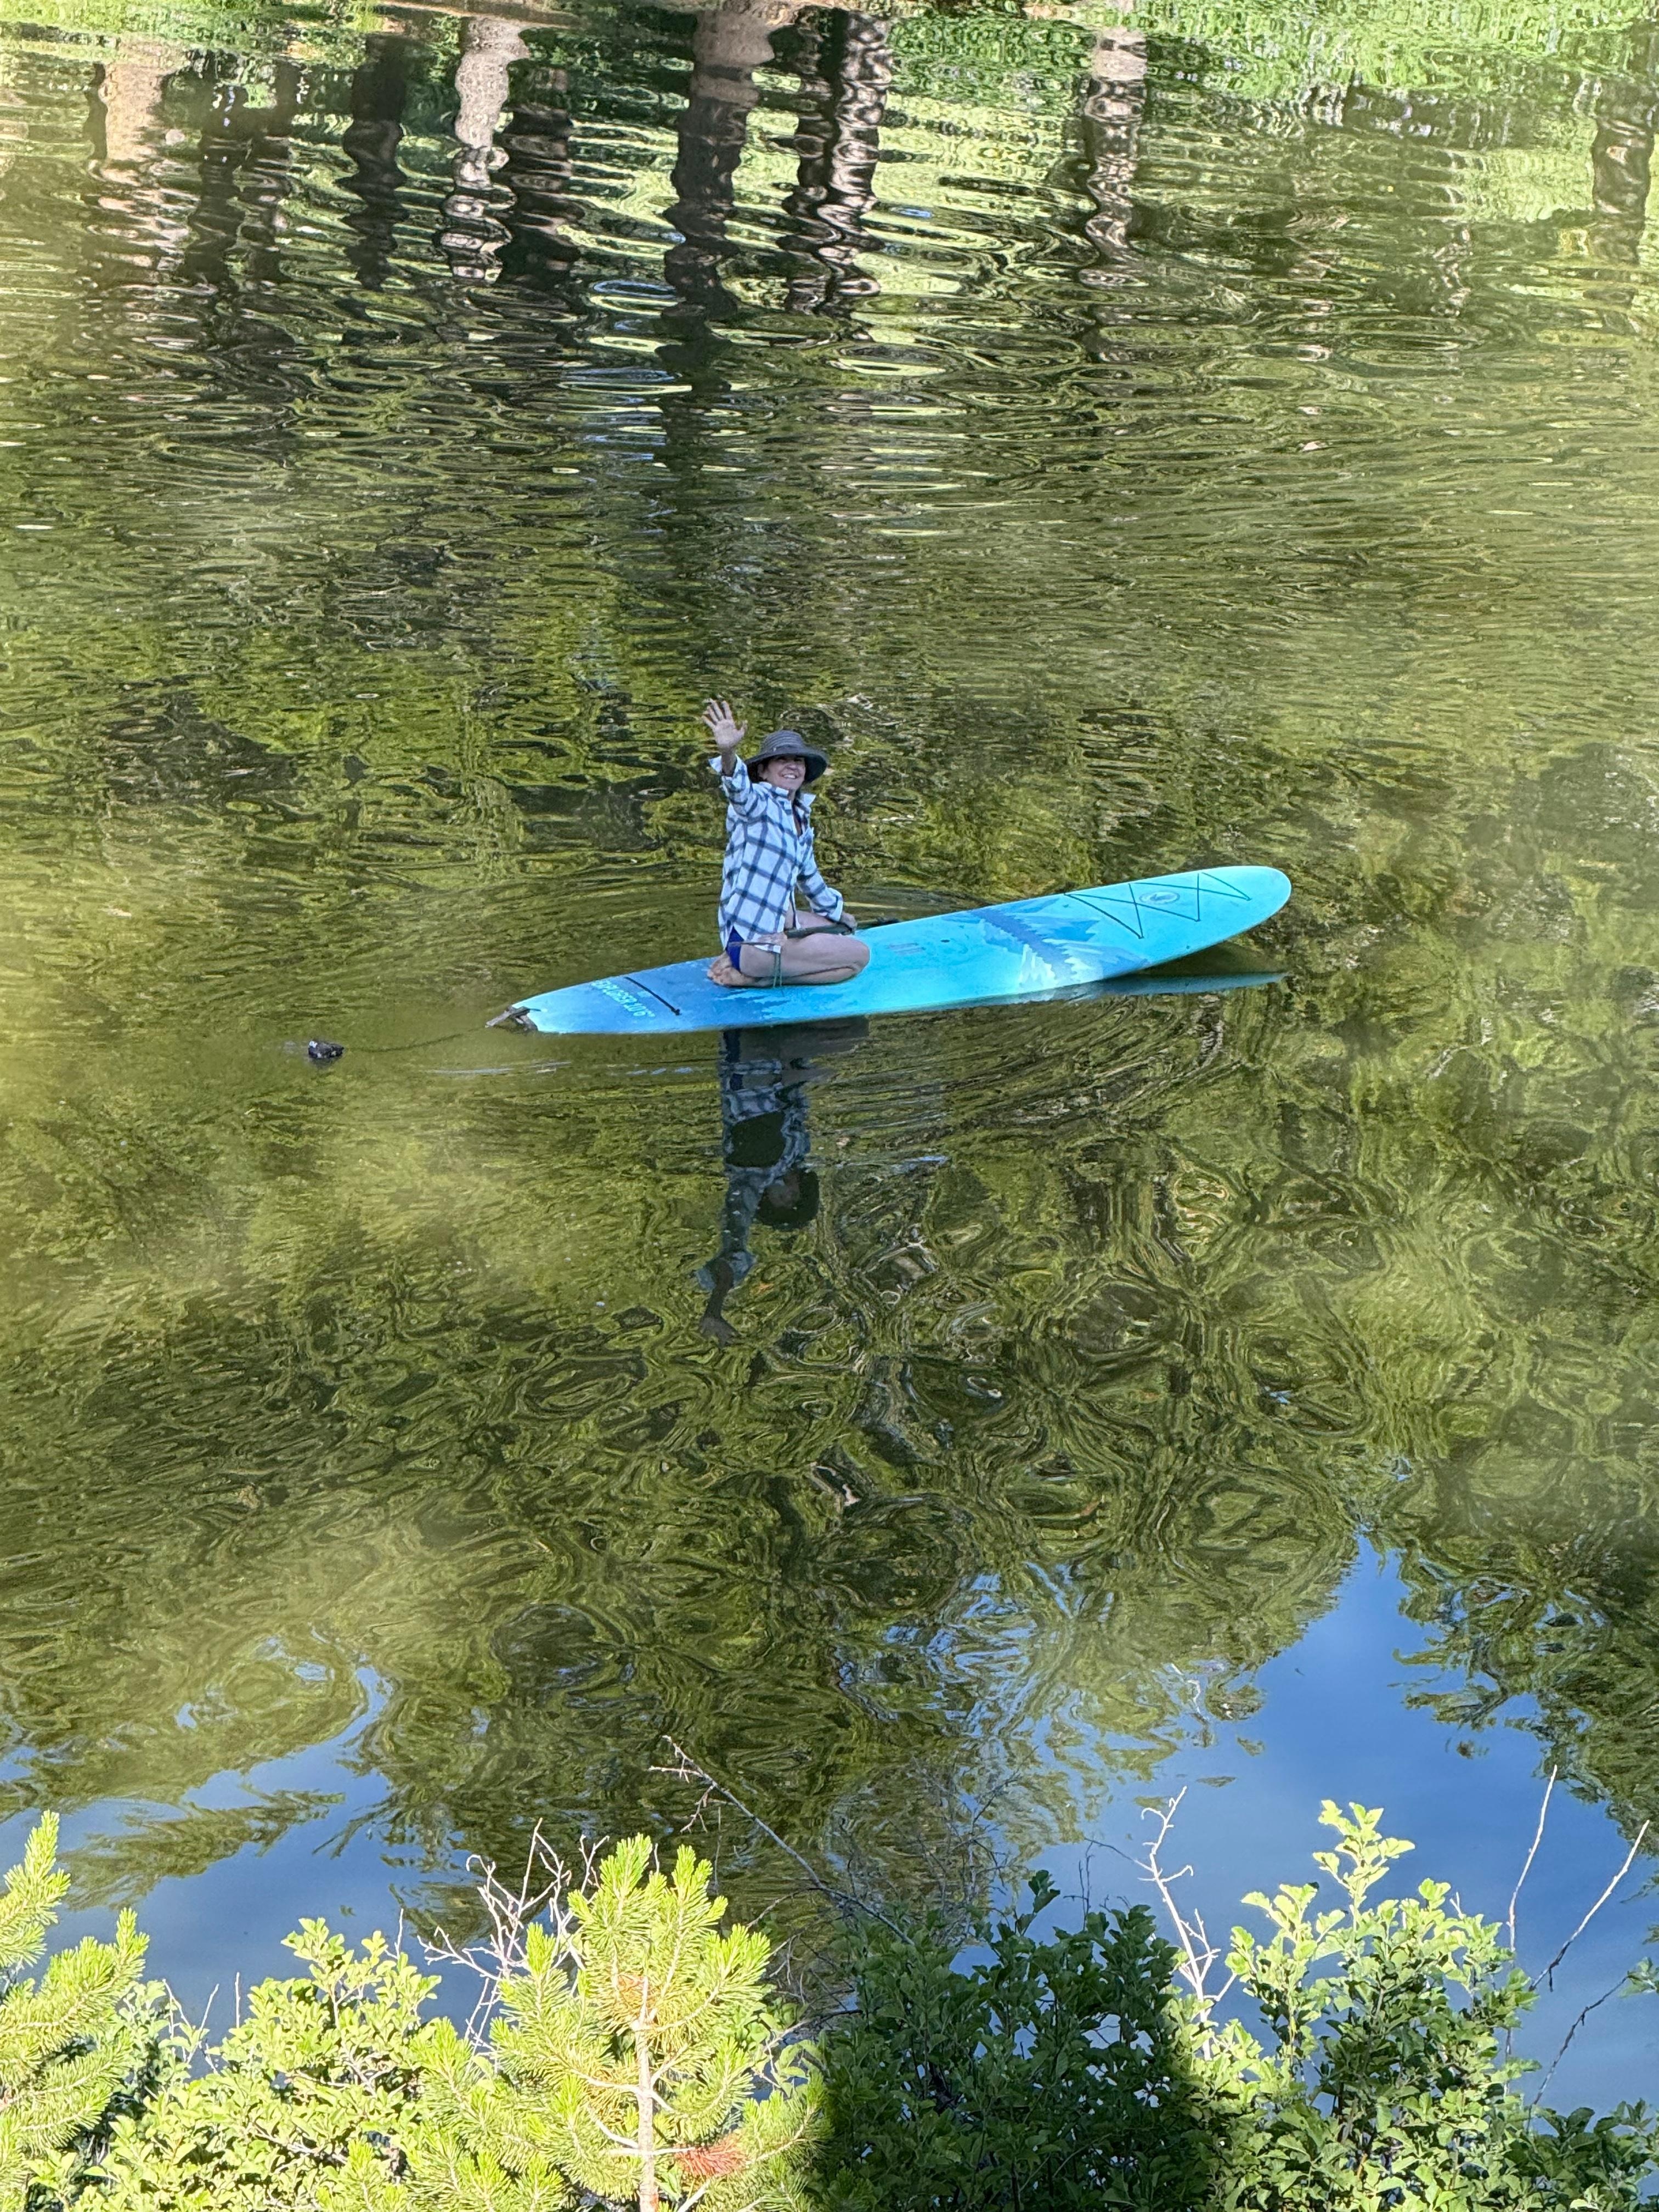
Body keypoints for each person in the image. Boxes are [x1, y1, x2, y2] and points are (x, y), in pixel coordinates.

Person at [701, 698, 871, 989]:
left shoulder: (799, 818)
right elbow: (737, 788)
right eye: (782, 759)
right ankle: (753, 979)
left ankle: (751, 960)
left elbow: (812, 883)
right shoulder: (757, 805)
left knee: (842, 931)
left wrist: (840, 915)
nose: (792, 766)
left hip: (768, 928)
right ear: (764, 772)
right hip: (753, 941)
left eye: (798, 760)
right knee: (858, 957)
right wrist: (728, 751)